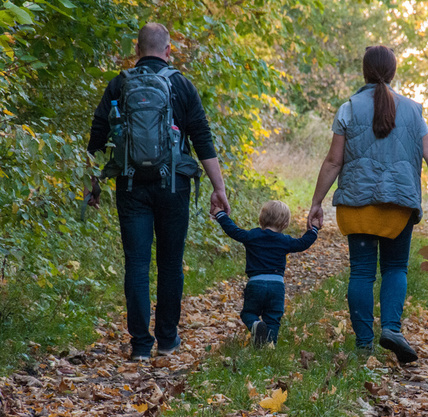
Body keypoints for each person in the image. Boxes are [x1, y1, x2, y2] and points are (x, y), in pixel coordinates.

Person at [307, 45, 428, 364]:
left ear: (363, 72)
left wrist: (317, 202)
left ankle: (364, 344)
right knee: (395, 267)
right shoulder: (413, 110)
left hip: (357, 203)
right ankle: (391, 328)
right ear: (392, 73)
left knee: (362, 273)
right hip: (399, 204)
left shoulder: (348, 108)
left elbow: (334, 161)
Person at [85, 23, 230, 361]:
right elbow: (202, 138)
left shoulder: (119, 84)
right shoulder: (181, 85)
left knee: (136, 263)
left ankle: (139, 347)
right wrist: (218, 188)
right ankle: (166, 340)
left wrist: (93, 184)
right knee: (169, 263)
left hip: (131, 185)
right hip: (174, 185)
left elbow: (97, 135)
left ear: (137, 50)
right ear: (168, 51)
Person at [213, 201, 319, 346]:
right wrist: (313, 230)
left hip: (256, 284)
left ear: (261, 218)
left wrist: (220, 214)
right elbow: (302, 243)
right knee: (273, 318)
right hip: (277, 286)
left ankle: (256, 325)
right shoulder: (285, 240)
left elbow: (233, 230)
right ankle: (269, 347)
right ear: (285, 223)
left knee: (248, 313)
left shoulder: (252, 235)